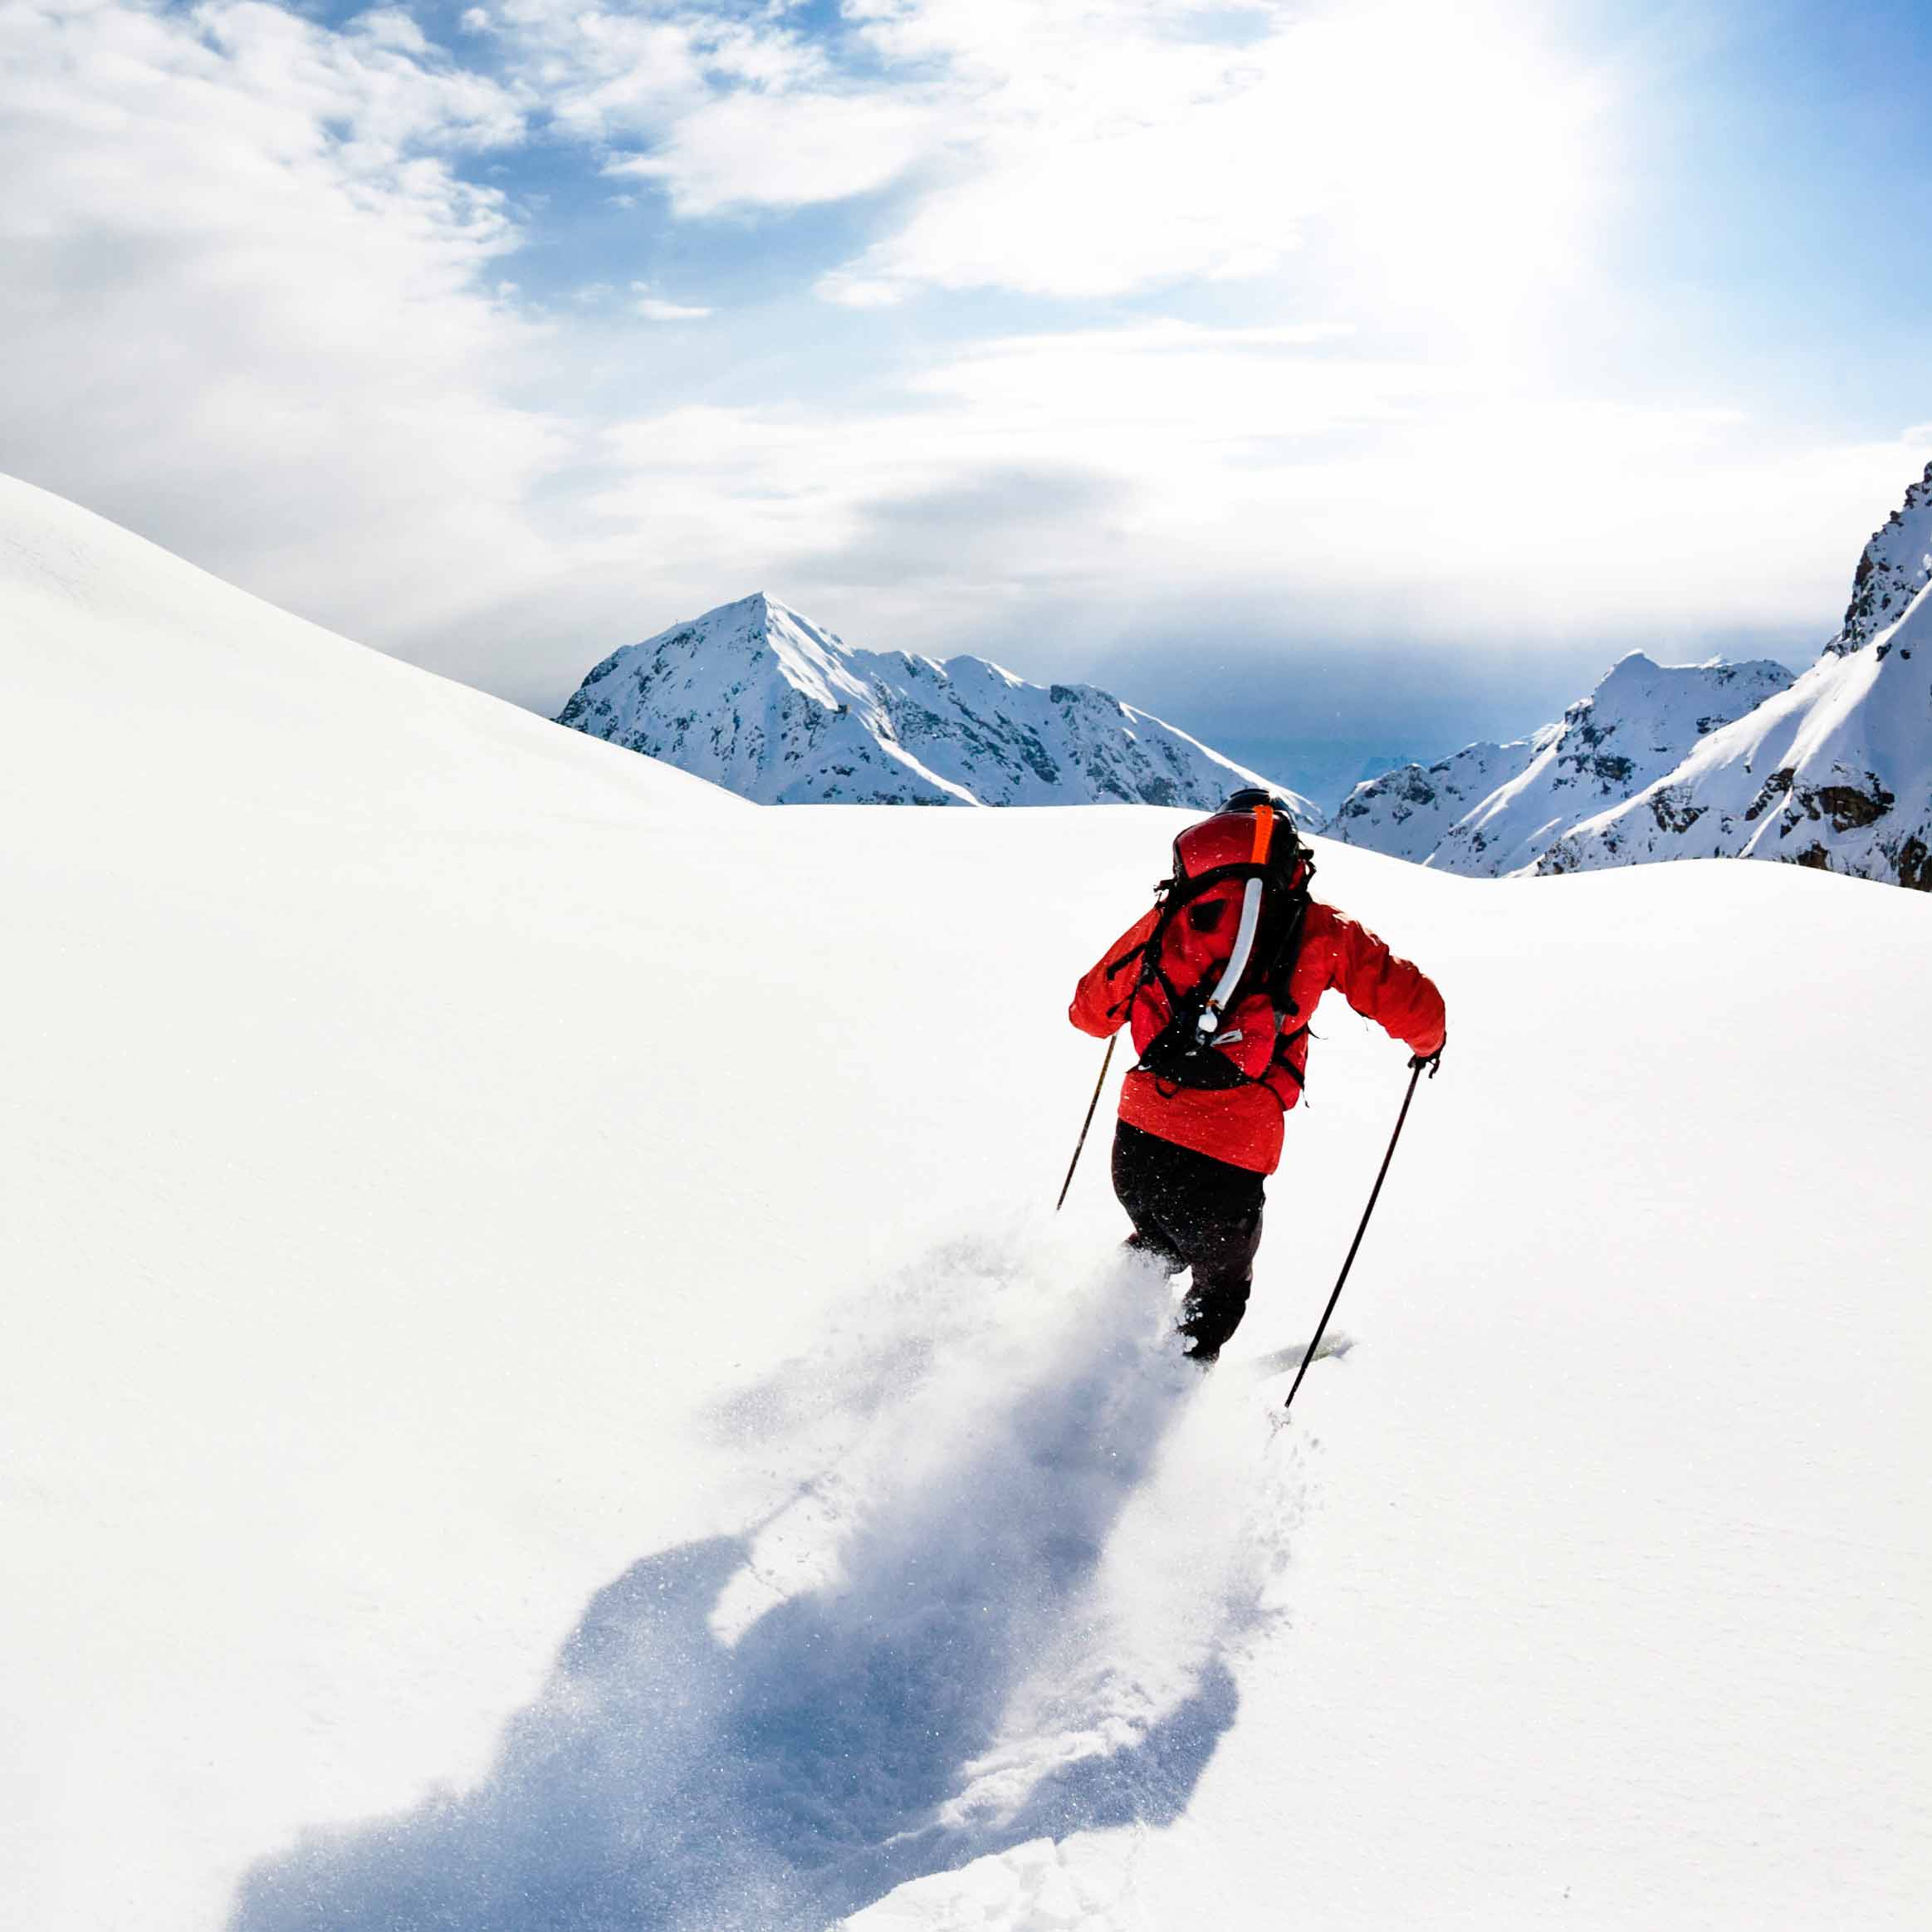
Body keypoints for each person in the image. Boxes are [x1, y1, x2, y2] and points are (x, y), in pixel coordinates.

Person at [1069, 788, 1445, 1362]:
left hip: (1138, 1140)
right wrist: (1428, 1044)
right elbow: (1412, 1003)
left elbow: (1089, 1013)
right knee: (1219, 1291)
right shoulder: (1320, 928)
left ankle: (1085, 1345)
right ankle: (1159, 1401)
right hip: (1229, 1155)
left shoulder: (1171, 916)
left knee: (1155, 1242)